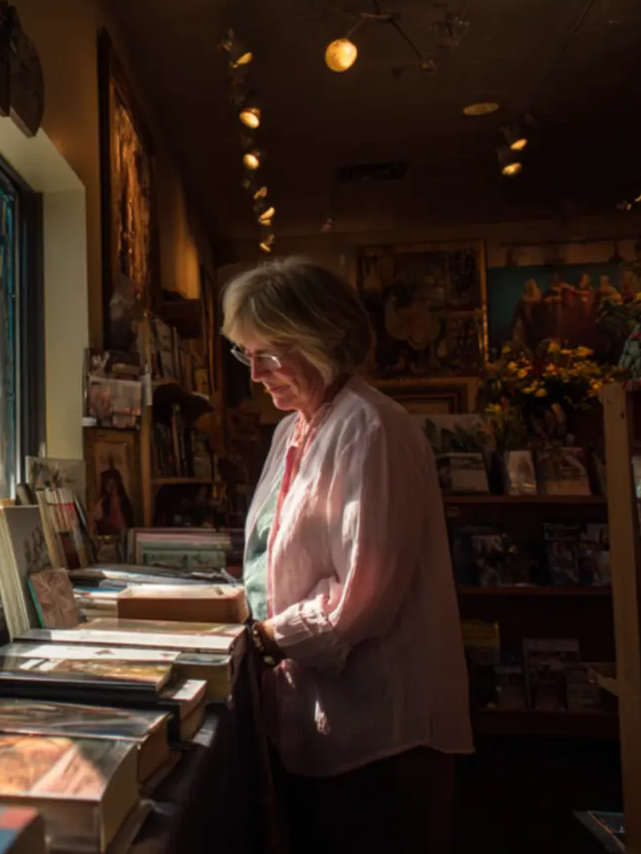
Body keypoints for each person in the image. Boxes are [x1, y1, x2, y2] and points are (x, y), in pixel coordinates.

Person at [224, 257, 472, 854]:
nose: (255, 375)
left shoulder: (372, 427)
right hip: (314, 723)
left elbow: (363, 599)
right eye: (245, 354)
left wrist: (262, 640)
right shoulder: (292, 430)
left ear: (324, 339)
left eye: (269, 354)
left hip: (378, 736)